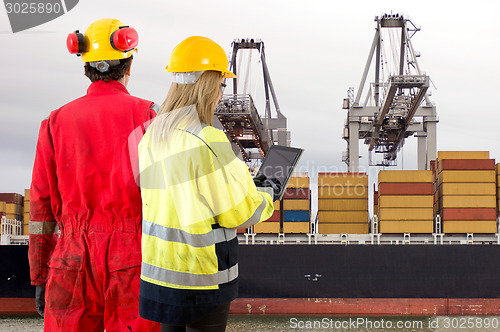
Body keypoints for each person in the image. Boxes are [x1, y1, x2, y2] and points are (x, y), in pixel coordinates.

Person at [137, 36, 281, 332]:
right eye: (221, 84)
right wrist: (268, 192)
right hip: (201, 276)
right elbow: (238, 212)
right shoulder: (208, 138)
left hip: (159, 274)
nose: (220, 93)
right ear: (208, 84)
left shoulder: (149, 136)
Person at [28, 18, 161, 332]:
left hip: (70, 258)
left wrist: (40, 275)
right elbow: (167, 199)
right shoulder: (150, 116)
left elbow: (41, 205)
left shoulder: (54, 122)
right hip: (135, 256)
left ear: (84, 65)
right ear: (129, 65)